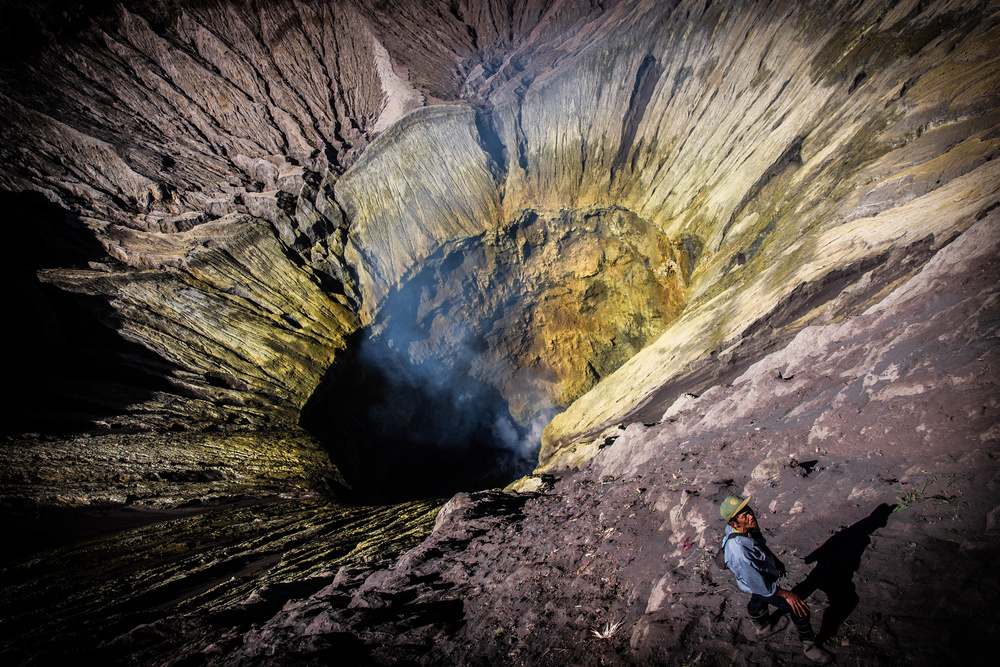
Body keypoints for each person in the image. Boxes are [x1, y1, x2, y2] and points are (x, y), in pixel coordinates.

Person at [719, 495, 833, 664]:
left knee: (757, 599)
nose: (751, 516)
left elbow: (761, 547)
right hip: (758, 582)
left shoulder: (745, 529)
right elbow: (757, 583)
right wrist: (785, 594)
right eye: (744, 516)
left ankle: (764, 628)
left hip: (757, 578)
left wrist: (775, 562)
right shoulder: (739, 551)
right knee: (798, 608)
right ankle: (810, 649)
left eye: (748, 511)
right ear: (734, 523)